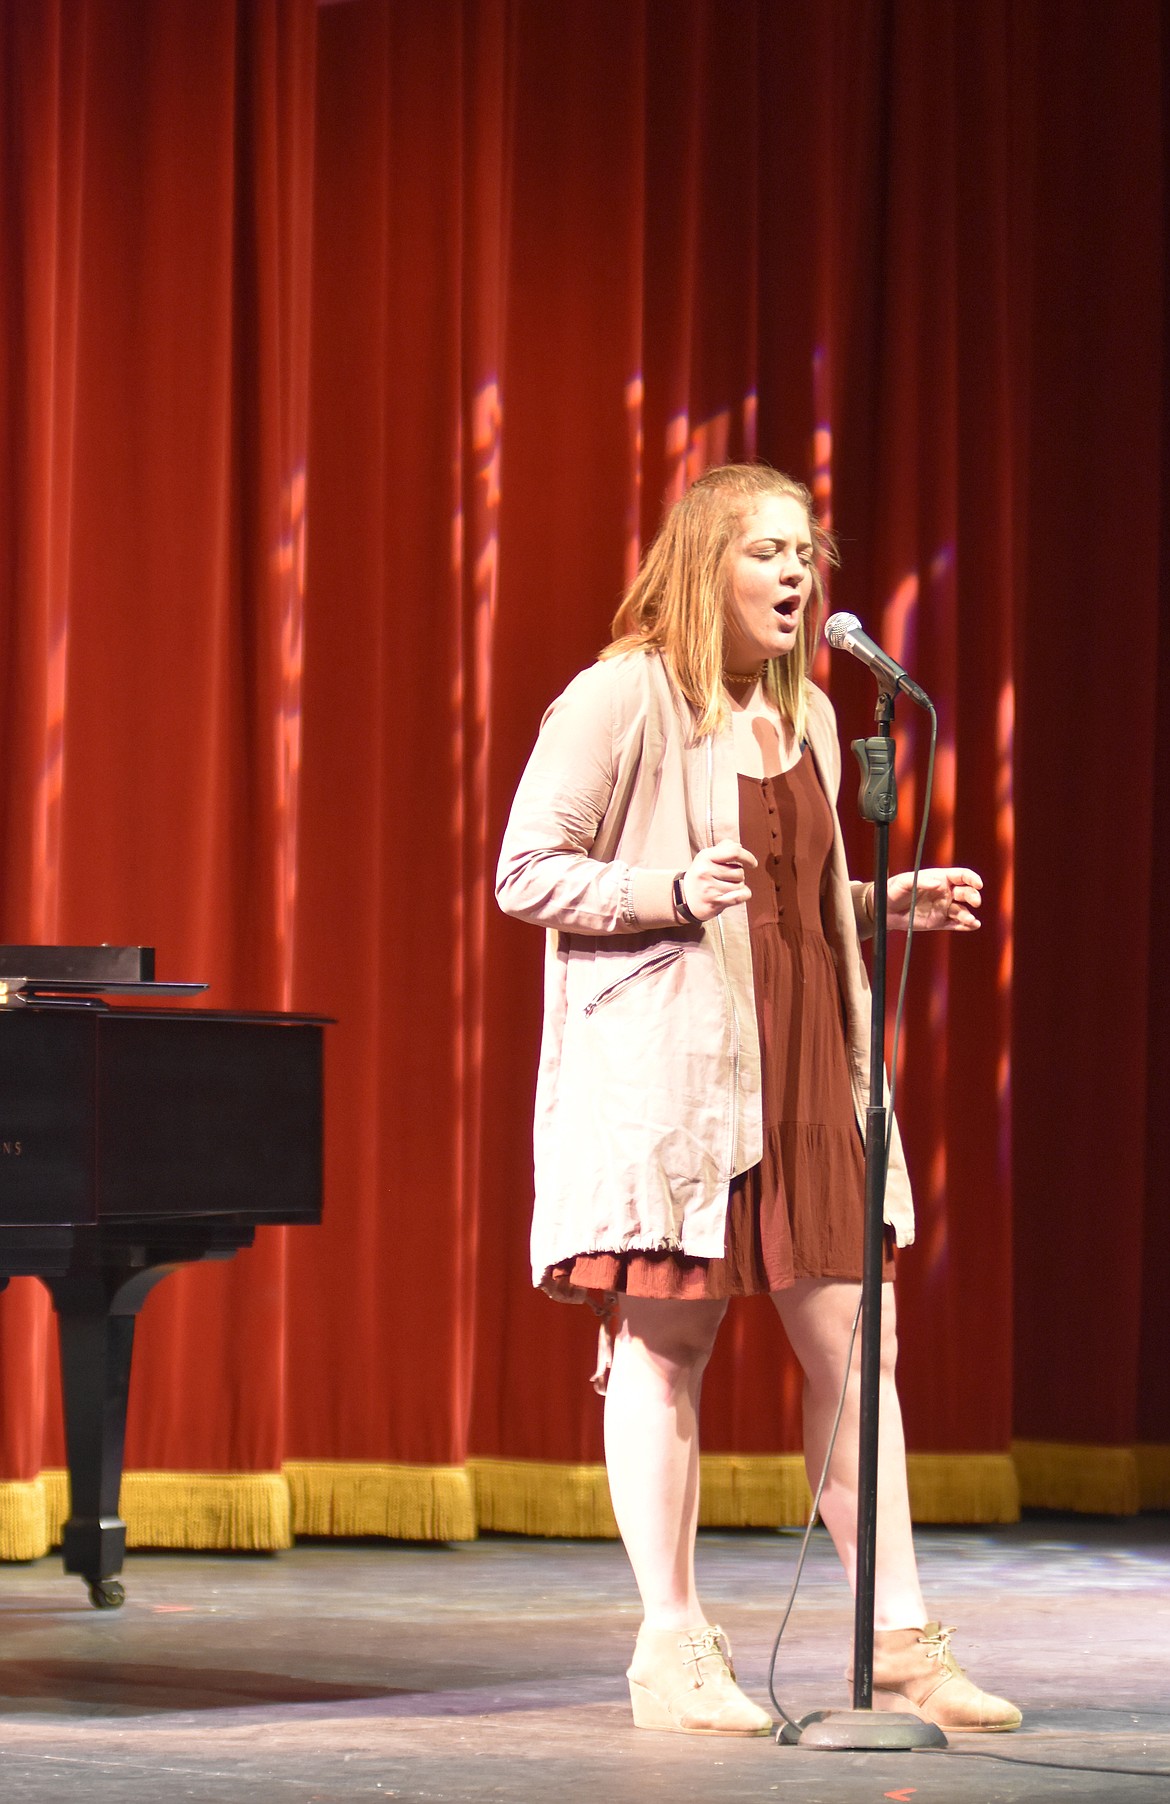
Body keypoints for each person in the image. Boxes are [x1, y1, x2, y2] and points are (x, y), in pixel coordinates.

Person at [495, 462, 1020, 1737]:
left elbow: (780, 915)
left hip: (806, 1073)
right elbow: (527, 871)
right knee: (666, 1349)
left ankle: (896, 1639)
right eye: (769, 552)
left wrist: (879, 904)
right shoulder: (622, 695)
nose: (797, 577)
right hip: (677, 1084)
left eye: (807, 556)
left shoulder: (816, 723)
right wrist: (664, 889)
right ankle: (669, 1645)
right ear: (703, 565)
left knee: (856, 1353)